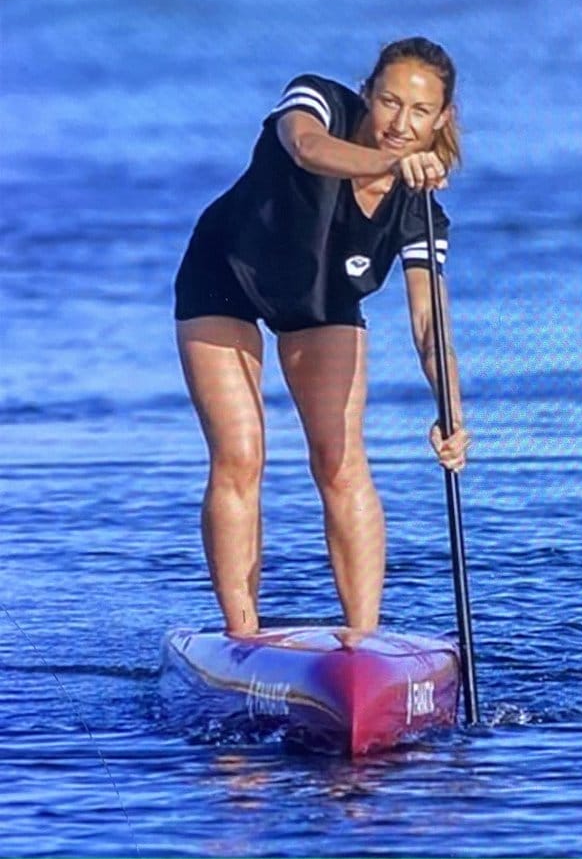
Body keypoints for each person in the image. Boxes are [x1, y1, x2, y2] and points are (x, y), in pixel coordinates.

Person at [173, 36, 471, 642]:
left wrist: (452, 414)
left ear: (441, 120)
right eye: (389, 102)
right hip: (224, 275)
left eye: (419, 113)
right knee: (241, 453)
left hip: (320, 300)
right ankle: (242, 638)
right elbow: (305, 150)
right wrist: (390, 164)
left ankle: (362, 643)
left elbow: (427, 325)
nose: (400, 124)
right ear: (367, 92)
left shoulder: (420, 212)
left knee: (339, 461)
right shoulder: (319, 102)